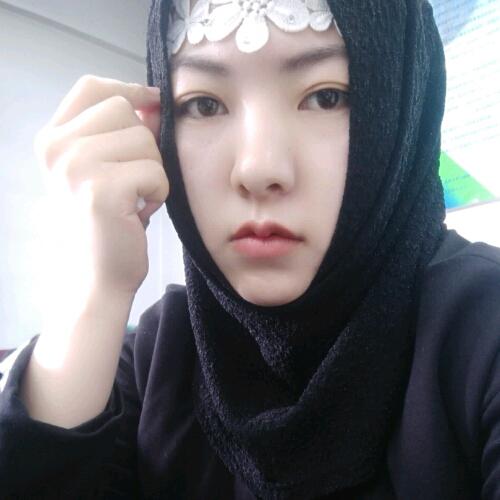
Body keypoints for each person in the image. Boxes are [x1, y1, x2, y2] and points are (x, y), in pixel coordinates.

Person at [1, 0, 499, 498]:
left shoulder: (483, 331)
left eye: (326, 97)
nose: (258, 169)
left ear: (402, 104)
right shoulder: (160, 354)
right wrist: (96, 289)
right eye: (204, 105)